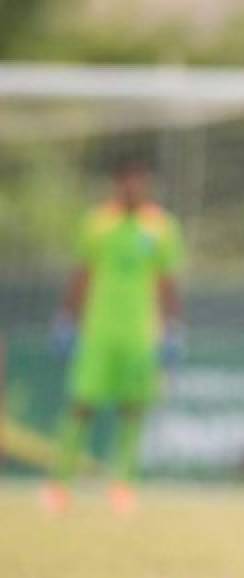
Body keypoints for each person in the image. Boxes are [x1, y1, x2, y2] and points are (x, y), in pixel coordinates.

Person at [40, 157, 184, 514]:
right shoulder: (96, 223)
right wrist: (66, 319)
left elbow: (167, 282)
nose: (134, 187)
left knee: (133, 409)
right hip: (97, 332)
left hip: (140, 334)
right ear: (117, 184)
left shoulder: (161, 226)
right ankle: (60, 484)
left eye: (141, 181)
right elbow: (81, 274)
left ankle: (123, 486)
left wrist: (173, 328)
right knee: (80, 405)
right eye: (128, 181)